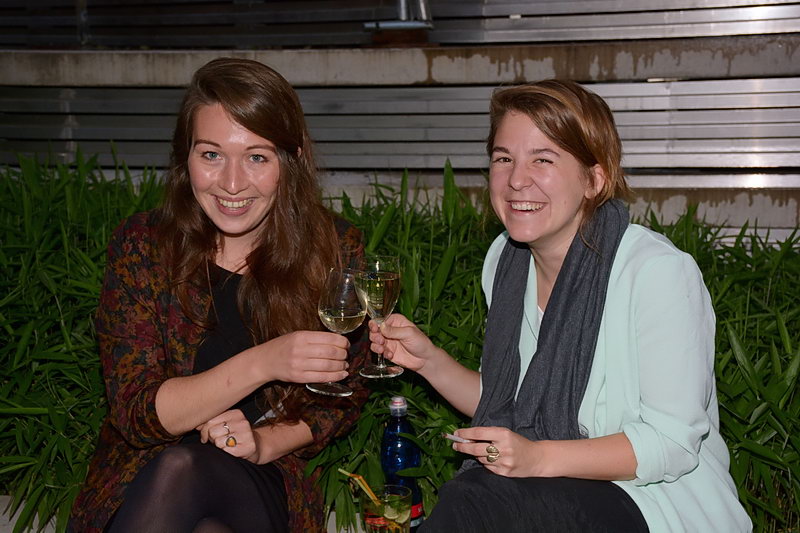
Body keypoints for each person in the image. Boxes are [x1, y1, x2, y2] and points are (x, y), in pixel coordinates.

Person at [369, 80, 752, 532]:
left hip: (657, 500)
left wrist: (537, 457)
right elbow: (509, 402)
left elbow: (671, 444)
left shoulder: (655, 273)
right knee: (480, 500)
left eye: (543, 159)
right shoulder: (505, 262)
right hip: (548, 486)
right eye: (503, 159)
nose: (516, 179)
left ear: (594, 179)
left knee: (479, 501)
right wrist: (429, 362)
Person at [68, 57, 369, 533]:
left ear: (289, 161)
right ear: (184, 157)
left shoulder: (333, 249)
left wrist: (264, 442)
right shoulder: (144, 246)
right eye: (211, 155)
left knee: (184, 469)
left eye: (257, 157)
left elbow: (342, 398)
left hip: (262, 476)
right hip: (144, 474)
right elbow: (137, 414)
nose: (231, 183)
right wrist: (264, 362)